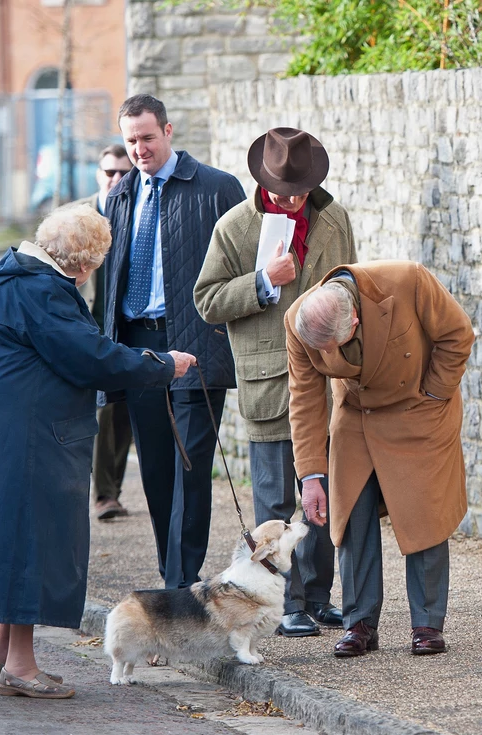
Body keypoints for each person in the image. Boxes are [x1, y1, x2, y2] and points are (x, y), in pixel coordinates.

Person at [0, 204, 196, 699]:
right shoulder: (44, 290)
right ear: (83, 264)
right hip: (28, 427)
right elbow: (90, 357)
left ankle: (2, 653)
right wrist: (161, 364)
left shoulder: (14, 277)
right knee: (33, 539)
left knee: (14, 532)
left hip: (3, 420)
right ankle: (22, 667)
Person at [194, 128, 354, 638]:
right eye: (280, 191)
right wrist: (264, 282)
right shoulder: (235, 227)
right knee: (273, 502)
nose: (288, 200)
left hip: (324, 381)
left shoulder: (334, 219)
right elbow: (207, 300)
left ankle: (321, 599)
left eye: (297, 191)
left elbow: (352, 284)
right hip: (267, 383)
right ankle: (286, 601)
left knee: (321, 495)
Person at [284, 261, 475, 657]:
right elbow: (304, 399)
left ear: (353, 319)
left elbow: (458, 335)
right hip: (356, 415)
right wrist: (311, 476)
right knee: (353, 513)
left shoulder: (408, 280)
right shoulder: (297, 320)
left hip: (418, 410)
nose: (330, 357)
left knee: (425, 515)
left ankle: (426, 624)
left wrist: (435, 394)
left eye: (336, 345)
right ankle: (360, 624)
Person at [102, 94, 246, 589]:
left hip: (198, 346)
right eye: (131, 140)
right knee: (158, 473)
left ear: (167, 130)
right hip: (139, 350)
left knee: (191, 467)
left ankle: (178, 586)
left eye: (147, 137)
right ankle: (173, 578)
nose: (139, 148)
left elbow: (243, 268)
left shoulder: (217, 187)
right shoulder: (118, 197)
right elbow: (109, 281)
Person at [74, 144, 135, 520]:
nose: (115, 179)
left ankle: (110, 491)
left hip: (127, 328)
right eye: (109, 172)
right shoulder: (77, 216)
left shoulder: (136, 210)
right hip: (87, 328)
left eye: (122, 173)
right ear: (98, 174)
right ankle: (103, 495)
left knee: (122, 412)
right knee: (102, 412)